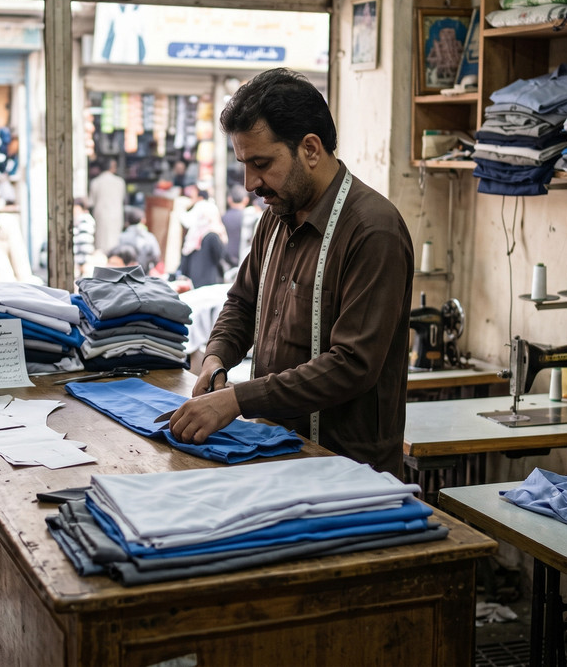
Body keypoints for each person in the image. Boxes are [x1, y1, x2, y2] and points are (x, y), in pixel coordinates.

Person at [163, 67, 414, 477]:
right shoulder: (277, 217)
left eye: (260, 163)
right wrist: (215, 359)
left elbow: (352, 365)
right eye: (244, 164)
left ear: (311, 149)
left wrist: (237, 400)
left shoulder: (373, 231)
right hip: (277, 454)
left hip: (347, 473)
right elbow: (243, 302)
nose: (248, 183)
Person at [178, 200, 228, 288]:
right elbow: (220, 257)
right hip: (210, 285)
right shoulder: (213, 236)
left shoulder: (192, 235)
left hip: (194, 283)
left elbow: (184, 262)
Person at [89, 157, 127, 254]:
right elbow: (123, 199)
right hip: (116, 215)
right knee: (114, 243)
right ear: (112, 167)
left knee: (101, 244)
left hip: (101, 215)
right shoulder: (120, 182)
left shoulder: (95, 182)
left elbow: (91, 202)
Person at [222, 184, 260, 268]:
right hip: (245, 262)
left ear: (229, 199)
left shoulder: (223, 218)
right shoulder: (251, 219)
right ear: (246, 200)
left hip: (226, 263)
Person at [118, 207, 161, 273]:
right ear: (142, 220)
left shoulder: (122, 236)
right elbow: (156, 256)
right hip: (144, 274)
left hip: (125, 273)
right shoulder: (149, 237)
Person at [72, 195, 97, 281]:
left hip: (81, 263)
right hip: (80, 262)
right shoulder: (80, 220)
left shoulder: (84, 220)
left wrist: (82, 263)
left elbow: (85, 242)